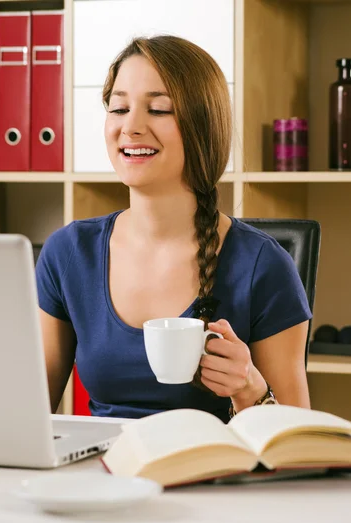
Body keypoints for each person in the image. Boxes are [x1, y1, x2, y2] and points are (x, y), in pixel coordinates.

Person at [35, 35, 312, 423]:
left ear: (202, 126)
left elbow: (297, 442)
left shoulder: (263, 265)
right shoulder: (68, 253)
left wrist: (250, 388)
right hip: (104, 475)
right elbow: (29, 416)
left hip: (212, 477)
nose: (130, 127)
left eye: (159, 109)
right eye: (118, 107)